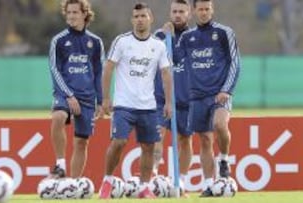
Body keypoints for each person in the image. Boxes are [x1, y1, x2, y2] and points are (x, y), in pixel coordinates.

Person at [99, 2, 172, 199]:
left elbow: (166, 74)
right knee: (119, 142)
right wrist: (105, 98)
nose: (140, 20)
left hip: (148, 106)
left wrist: (169, 102)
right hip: (124, 105)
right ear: (132, 19)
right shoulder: (121, 41)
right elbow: (108, 68)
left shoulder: (158, 46)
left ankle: (144, 187)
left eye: (143, 16)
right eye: (136, 16)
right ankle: (107, 181)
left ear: (151, 19)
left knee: (149, 147)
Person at [176, 0, 241, 197]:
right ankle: (208, 184)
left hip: (219, 93)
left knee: (220, 125)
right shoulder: (187, 37)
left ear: (212, 10)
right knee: (204, 140)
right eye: (200, 9)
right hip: (197, 96)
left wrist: (227, 89)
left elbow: (235, 63)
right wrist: (165, 38)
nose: (204, 13)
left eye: (207, 9)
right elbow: (174, 60)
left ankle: (224, 159)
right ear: (194, 11)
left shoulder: (224, 33)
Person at [48, 0, 104, 178]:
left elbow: (98, 73)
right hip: (65, 92)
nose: (71, 16)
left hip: (87, 96)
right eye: (68, 12)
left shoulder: (95, 42)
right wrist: (69, 95)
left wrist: (101, 101)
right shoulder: (59, 40)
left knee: (81, 142)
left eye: (75, 12)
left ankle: (73, 183)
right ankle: (60, 164)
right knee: (58, 117)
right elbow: (54, 69)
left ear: (84, 14)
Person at [152, 0, 192, 194]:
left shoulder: (194, 37)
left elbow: (180, 59)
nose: (177, 15)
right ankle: (153, 176)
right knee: (157, 136)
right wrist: (166, 37)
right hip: (161, 98)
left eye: (181, 12)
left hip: (186, 99)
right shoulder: (159, 36)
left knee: (185, 140)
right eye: (174, 11)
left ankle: (182, 181)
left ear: (188, 14)